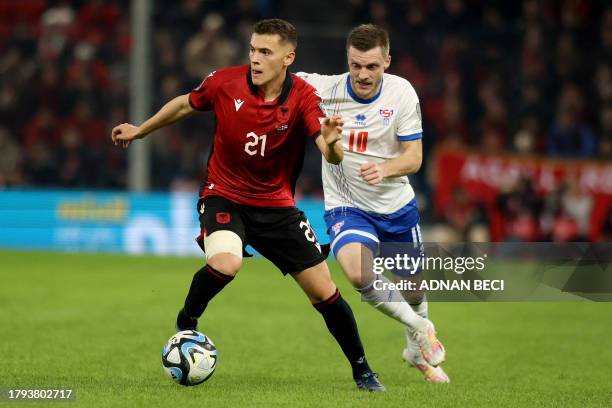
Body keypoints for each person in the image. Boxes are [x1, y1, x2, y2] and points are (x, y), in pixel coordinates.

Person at [111, 19, 389, 392]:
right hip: (223, 194)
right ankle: (187, 321)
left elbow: (331, 154)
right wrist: (140, 129)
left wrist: (333, 141)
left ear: (288, 57)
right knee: (226, 262)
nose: (255, 59)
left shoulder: (304, 97)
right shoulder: (224, 82)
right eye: (253, 50)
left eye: (265, 52)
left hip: (276, 207)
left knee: (324, 291)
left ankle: (363, 371)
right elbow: (185, 104)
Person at [298, 24, 449, 383]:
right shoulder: (324, 89)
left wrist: (385, 169)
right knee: (357, 272)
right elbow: (276, 73)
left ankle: (415, 348)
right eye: (356, 66)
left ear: (387, 62)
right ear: (347, 61)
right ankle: (419, 327)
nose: (363, 75)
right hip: (346, 204)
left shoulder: (402, 93)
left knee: (414, 287)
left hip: (396, 205)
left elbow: (414, 158)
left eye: (372, 67)